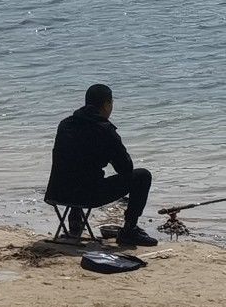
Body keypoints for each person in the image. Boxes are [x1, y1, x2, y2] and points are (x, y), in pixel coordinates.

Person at [45, 83, 157, 246]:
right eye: (111, 103)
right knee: (142, 176)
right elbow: (126, 168)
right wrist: (109, 154)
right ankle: (130, 229)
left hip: (56, 192)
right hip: (86, 195)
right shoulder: (104, 130)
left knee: (77, 169)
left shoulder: (65, 124)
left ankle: (75, 222)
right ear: (106, 104)